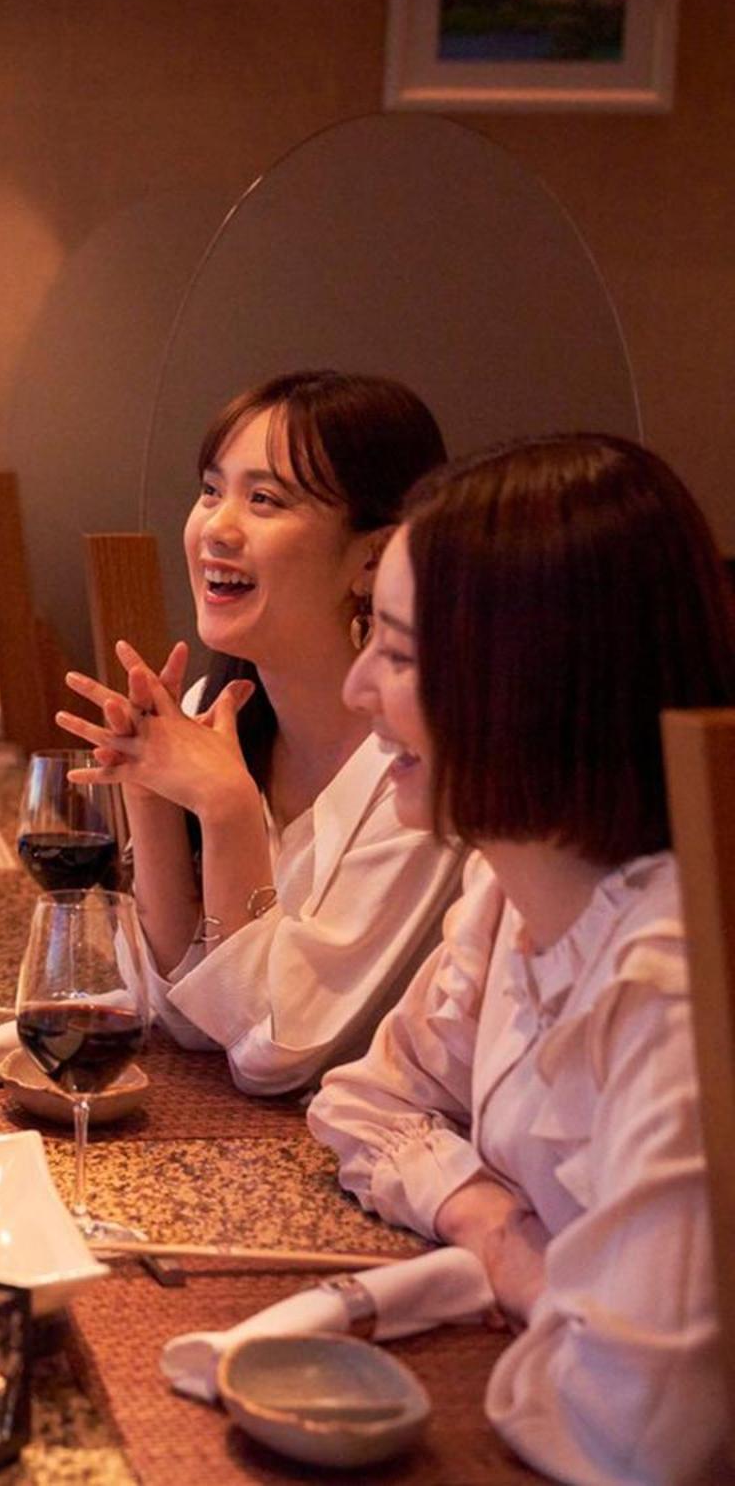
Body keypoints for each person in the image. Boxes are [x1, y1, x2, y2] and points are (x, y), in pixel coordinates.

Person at [310, 434, 732, 1484]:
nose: (357, 687)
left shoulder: (671, 982)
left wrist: (527, 1278)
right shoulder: (506, 890)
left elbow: (634, 1436)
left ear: (533, 686)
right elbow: (363, 1101)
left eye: (399, 656)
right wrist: (496, 1227)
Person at [55, 371, 465, 1094]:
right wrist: (151, 797)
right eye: (212, 490)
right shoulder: (224, 705)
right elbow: (176, 1019)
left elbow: (275, 1052)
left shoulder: (422, 763)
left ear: (373, 556)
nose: (217, 527)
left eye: (265, 500)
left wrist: (228, 810)